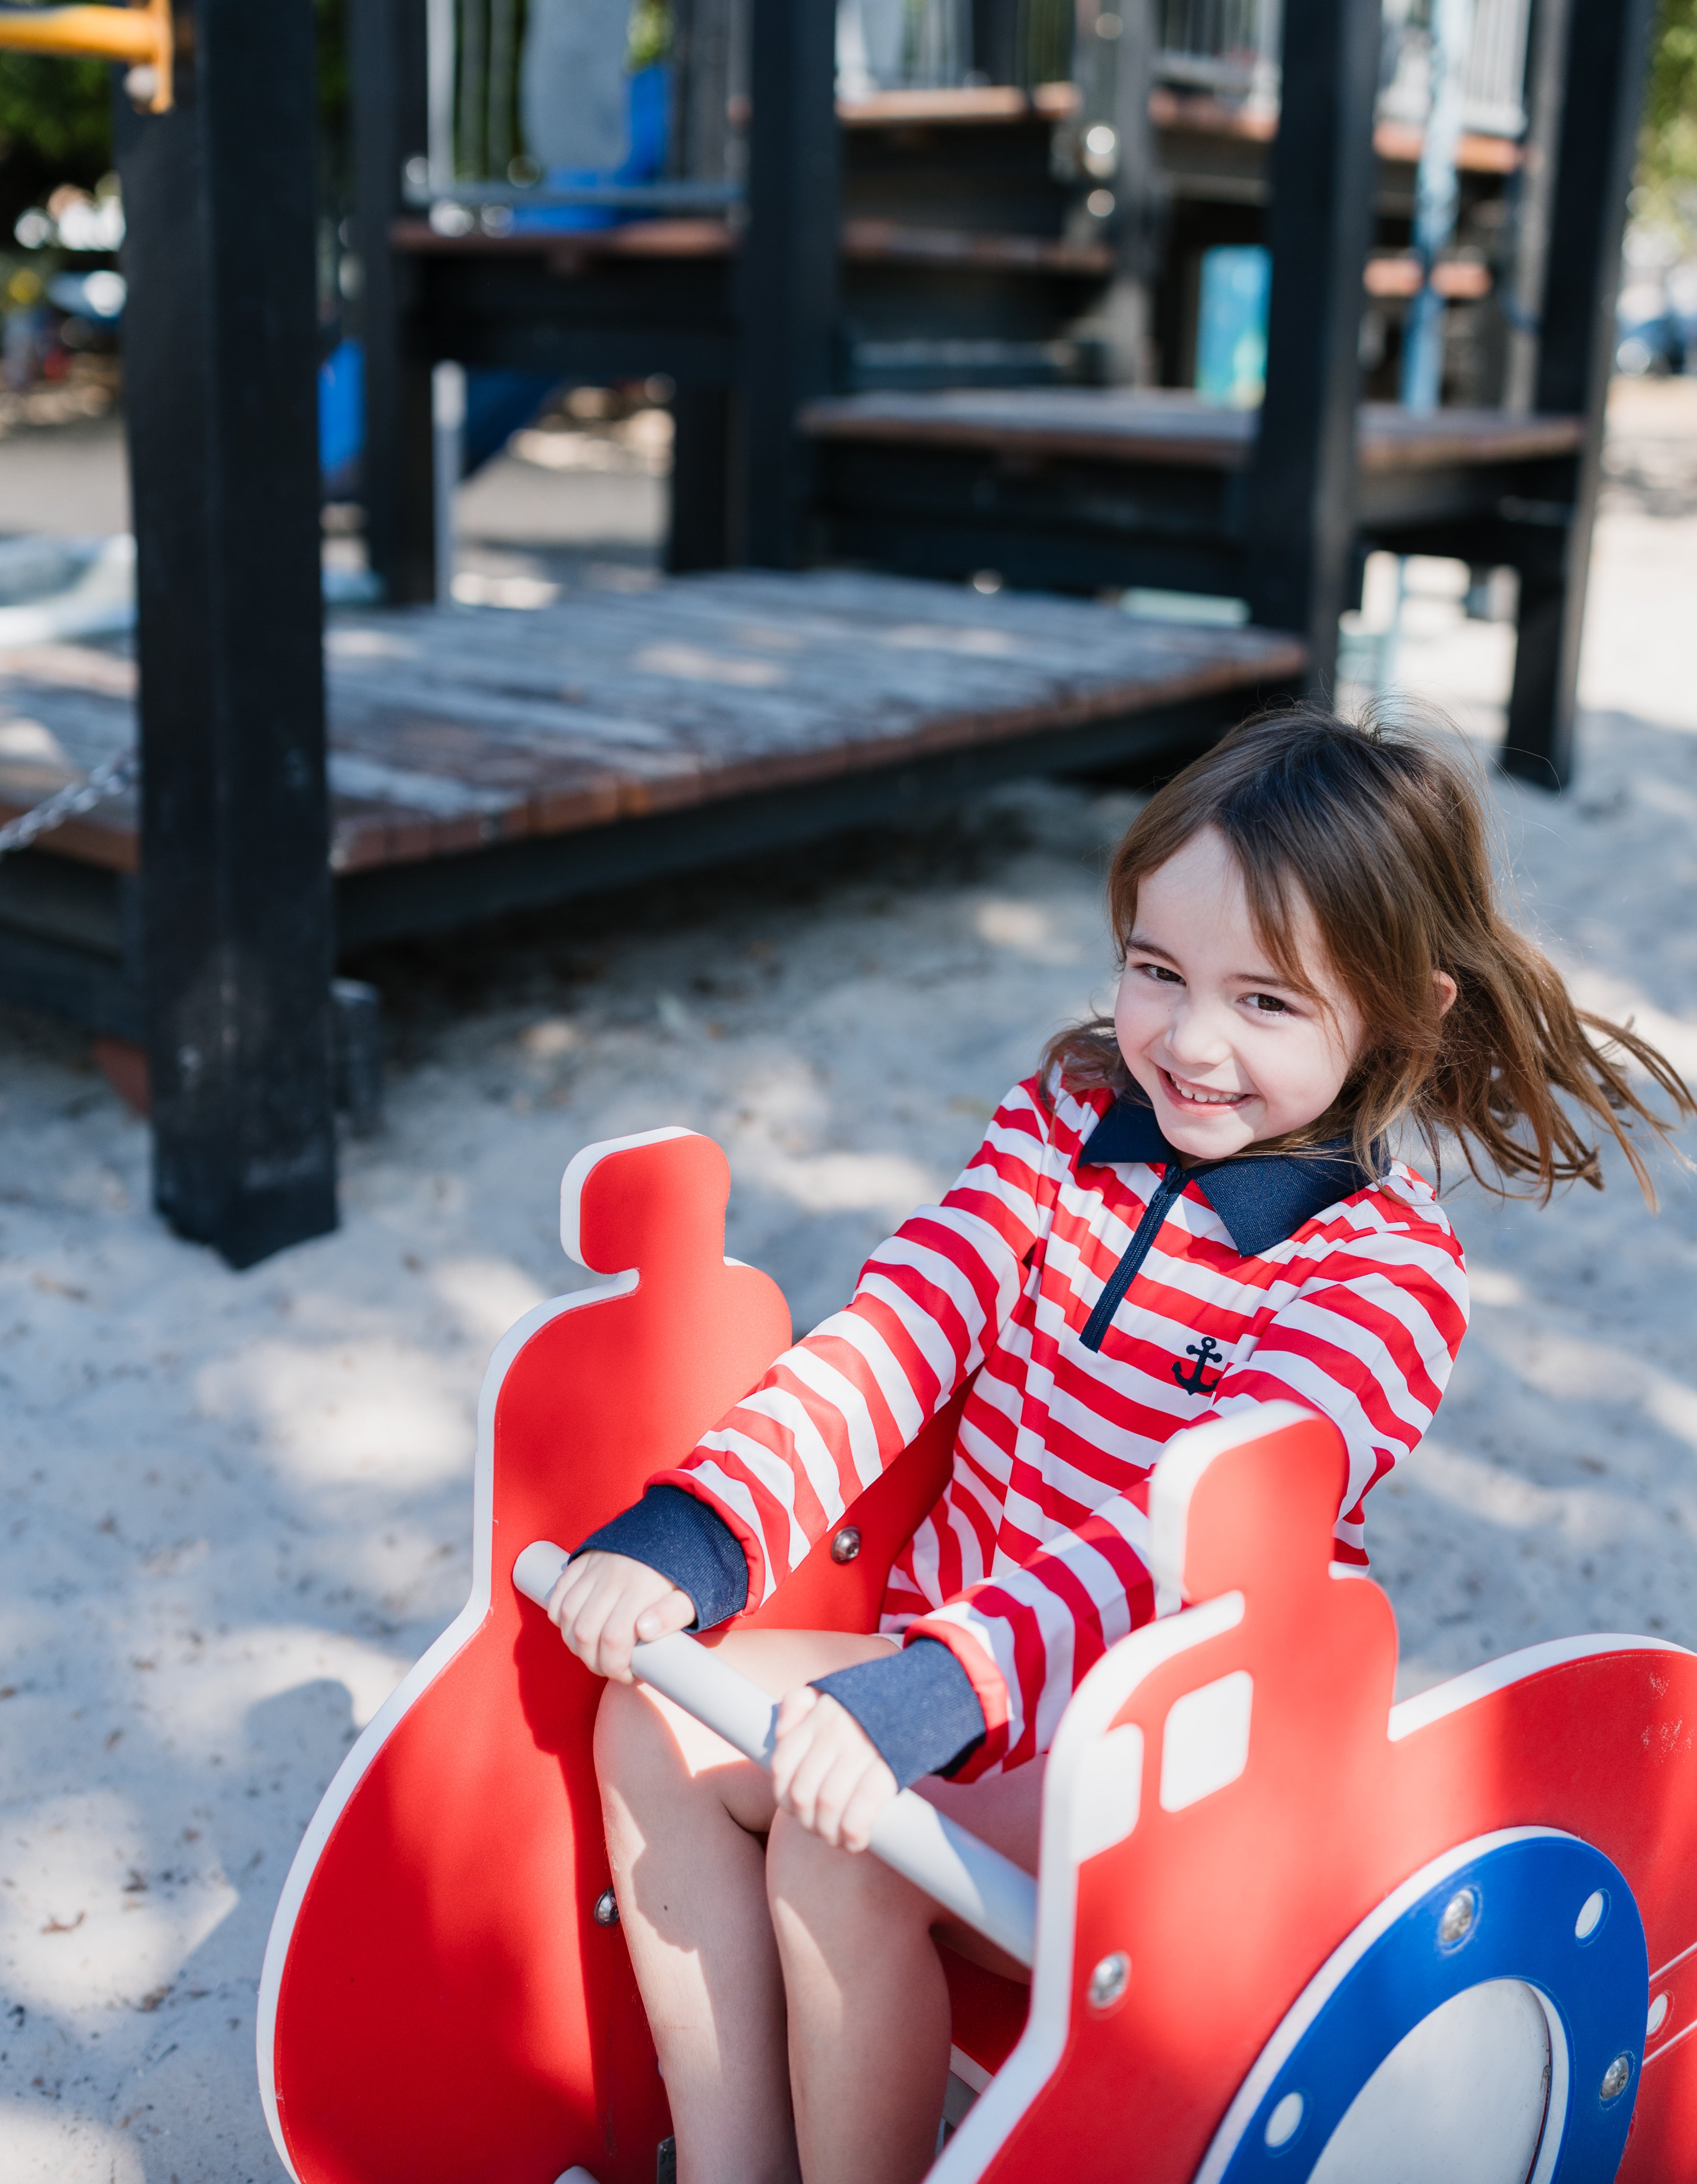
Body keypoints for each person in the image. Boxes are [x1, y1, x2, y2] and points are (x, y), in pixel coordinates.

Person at [546, 706, 1691, 2184]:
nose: (1189, 1042)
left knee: (850, 1829)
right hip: (944, 1686)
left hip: (1163, 1764)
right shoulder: (1069, 1121)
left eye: (1266, 1004)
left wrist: (941, 1693)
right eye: (1158, 972)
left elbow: (1177, 1554)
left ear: (1402, 1010)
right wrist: (702, 1529)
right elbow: (902, 1327)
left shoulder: (1382, 1281)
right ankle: (732, 2159)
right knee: (650, 1718)